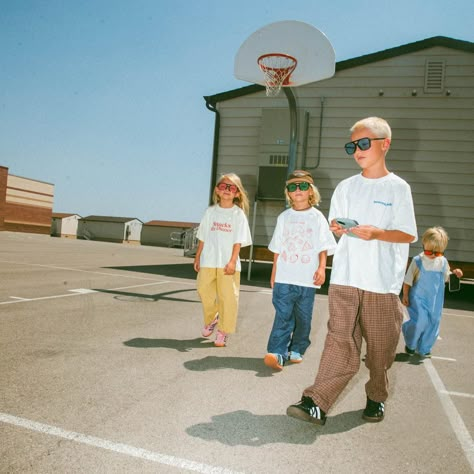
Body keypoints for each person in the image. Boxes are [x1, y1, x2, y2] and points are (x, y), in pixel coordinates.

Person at [287, 117, 418, 425]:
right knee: (339, 340)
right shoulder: (346, 187)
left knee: (380, 352)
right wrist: (338, 228)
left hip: (382, 284)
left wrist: (378, 233)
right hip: (345, 279)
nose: (357, 150)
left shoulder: (398, 188)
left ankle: (376, 396)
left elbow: (408, 234)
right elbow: (337, 228)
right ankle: (315, 402)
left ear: (384, 144)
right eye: (352, 146)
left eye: (363, 143)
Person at [264, 170, 337, 371]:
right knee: (283, 315)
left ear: (311, 192)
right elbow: (277, 248)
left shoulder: (317, 217)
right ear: (288, 192)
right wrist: (274, 273)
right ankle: (277, 353)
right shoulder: (284, 217)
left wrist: (322, 268)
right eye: (293, 187)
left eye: (303, 186)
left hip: (307, 279)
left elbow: (323, 246)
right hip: (284, 278)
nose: (298, 190)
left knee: (303, 318)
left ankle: (297, 347)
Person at [194, 173, 252, 347]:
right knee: (204, 290)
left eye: (231, 187)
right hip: (208, 261)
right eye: (223, 186)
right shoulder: (210, 212)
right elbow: (203, 236)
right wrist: (197, 257)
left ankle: (223, 331)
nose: (227, 190)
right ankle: (213, 318)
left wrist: (233, 261)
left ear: (237, 193)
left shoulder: (238, 214)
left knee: (228, 298)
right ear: (217, 191)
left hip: (228, 264)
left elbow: (238, 241)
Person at [402, 227, 463, 358]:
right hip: (418, 298)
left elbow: (446, 277)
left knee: (434, 321)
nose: (434, 256)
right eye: (429, 252)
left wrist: (455, 273)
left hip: (435, 300)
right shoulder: (418, 261)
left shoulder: (443, 262)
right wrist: (405, 295)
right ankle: (411, 343)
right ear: (424, 245)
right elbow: (408, 280)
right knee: (421, 320)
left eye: (438, 253)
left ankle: (425, 347)